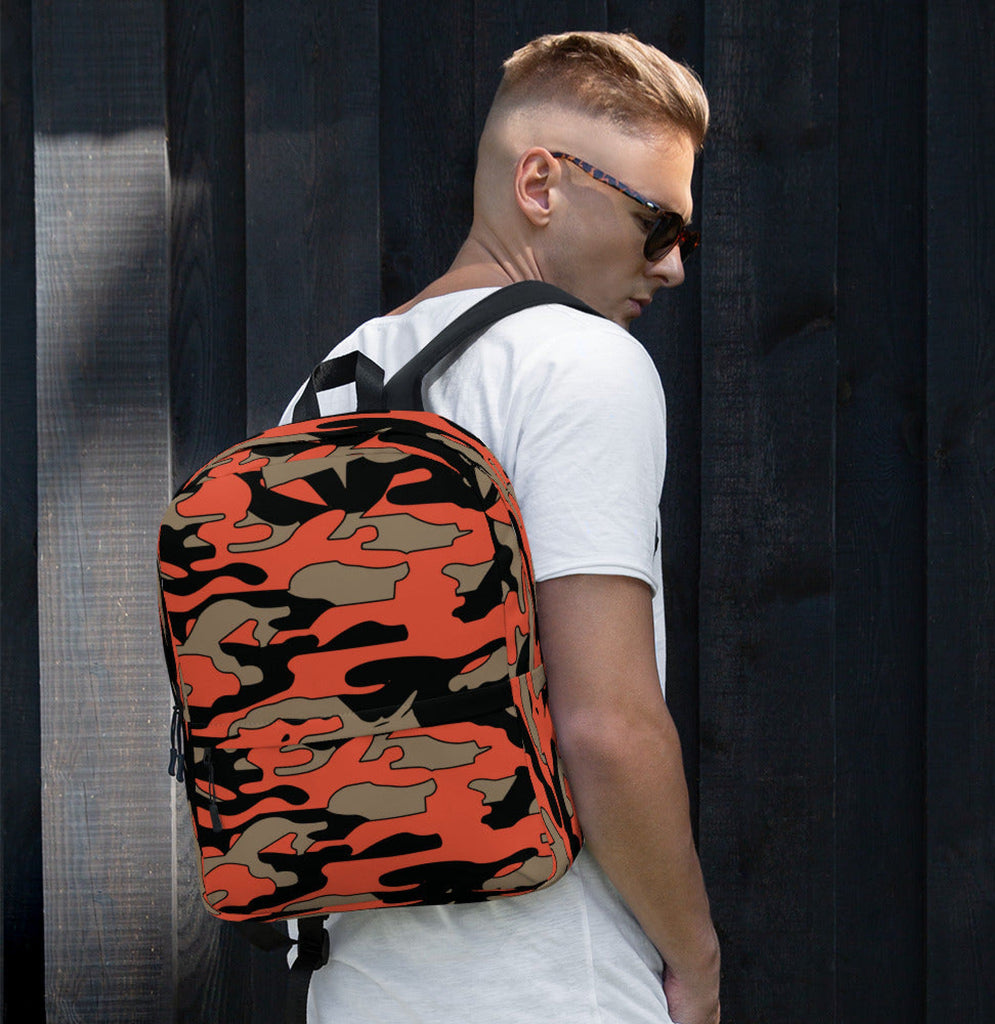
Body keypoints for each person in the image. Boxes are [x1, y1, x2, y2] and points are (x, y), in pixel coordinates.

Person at [282, 29, 720, 1024]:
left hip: (356, 989)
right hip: (553, 984)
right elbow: (605, 725)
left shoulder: (323, 390)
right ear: (540, 184)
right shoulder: (579, 360)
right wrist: (697, 961)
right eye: (658, 225)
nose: (672, 267)